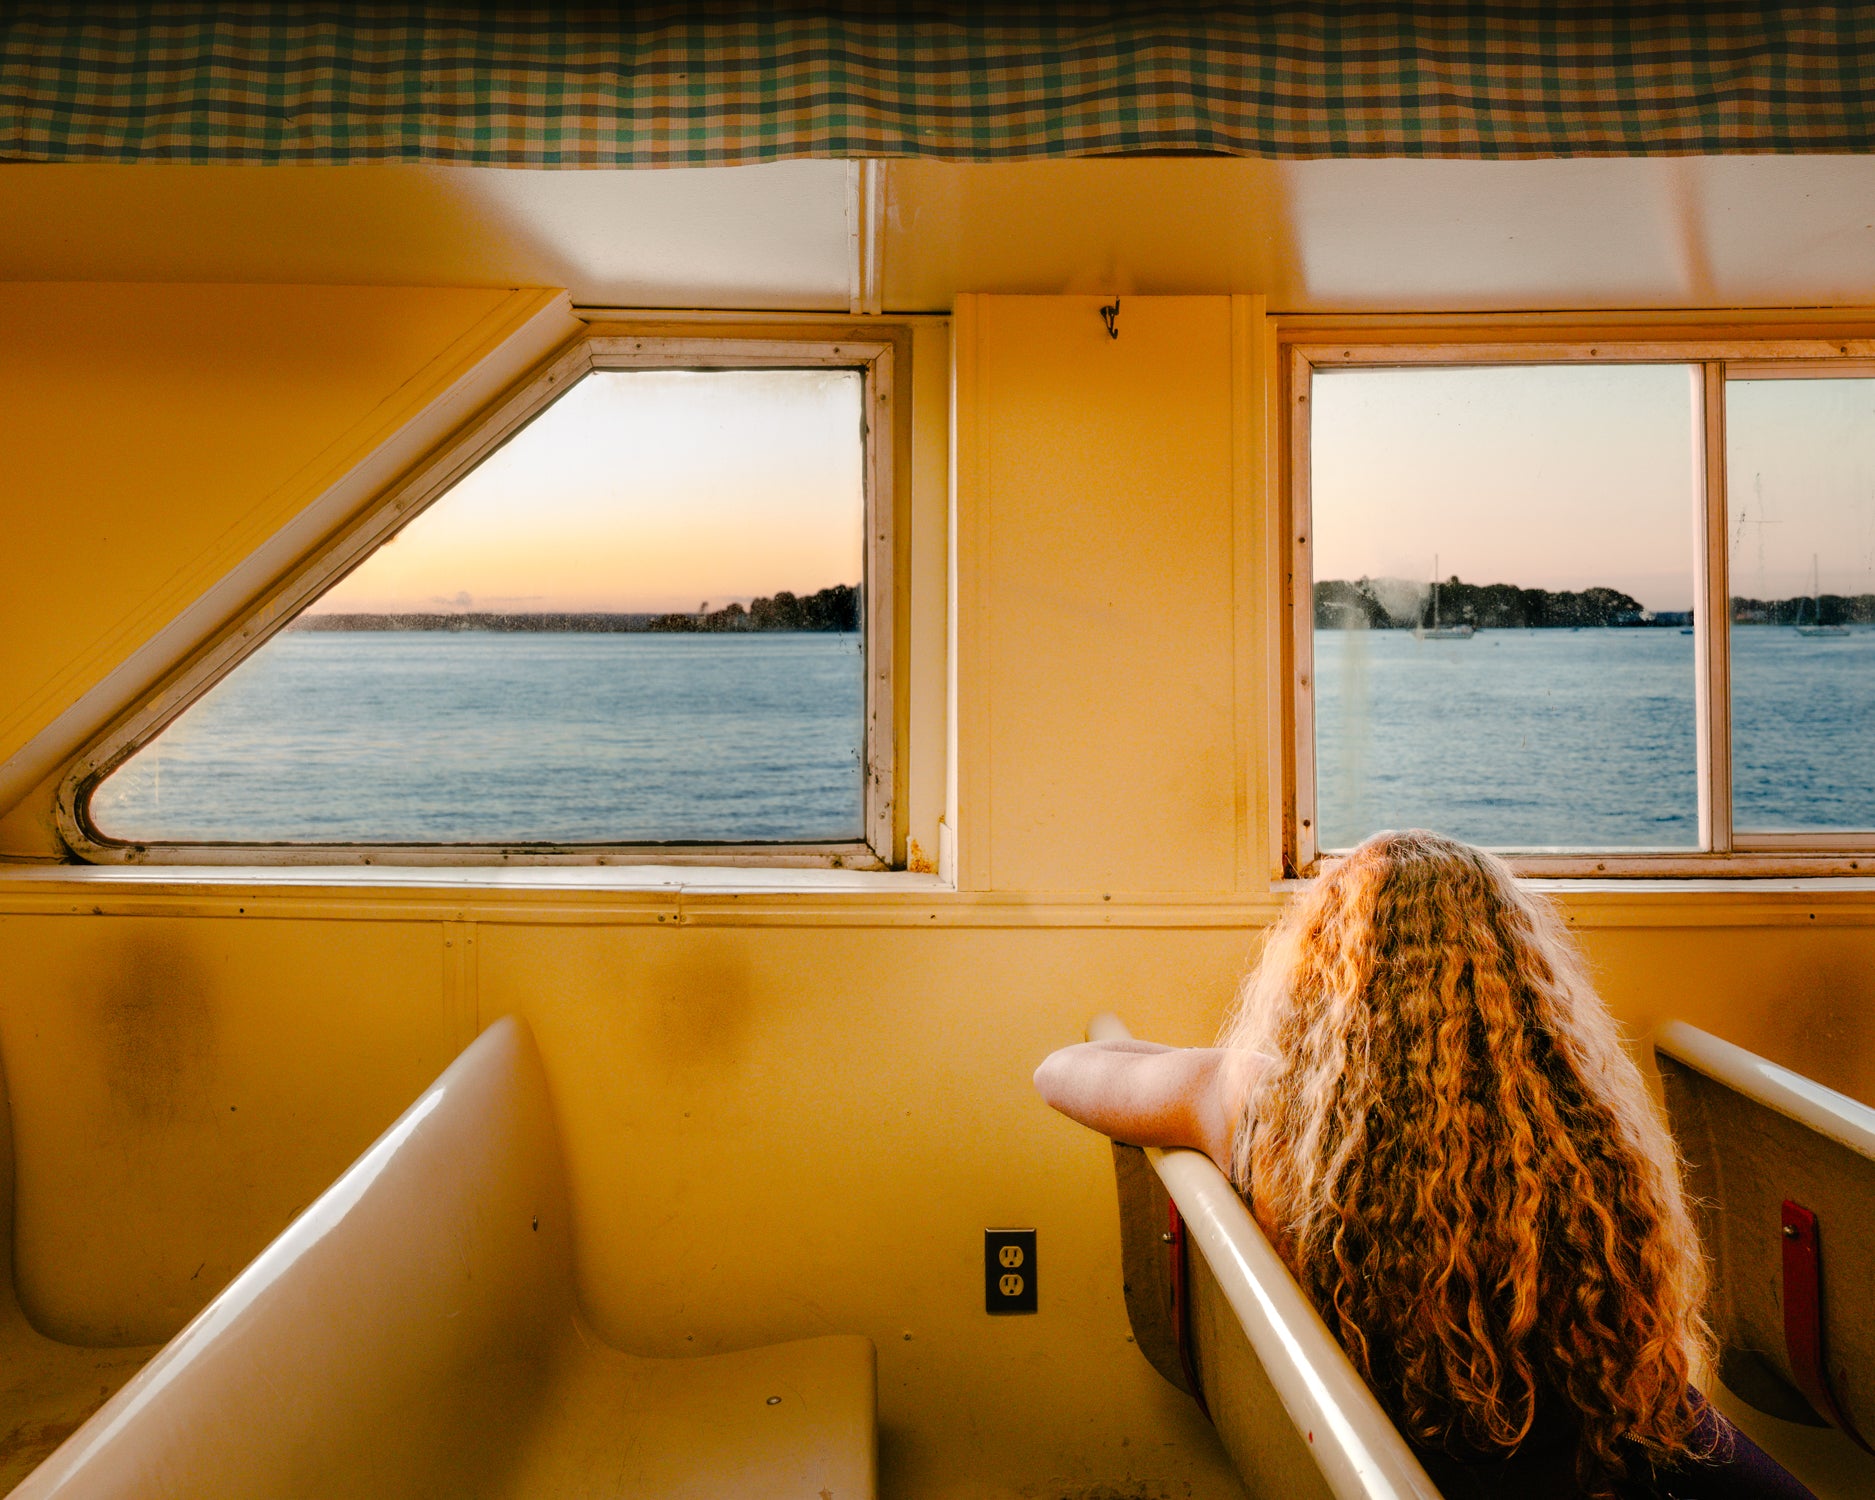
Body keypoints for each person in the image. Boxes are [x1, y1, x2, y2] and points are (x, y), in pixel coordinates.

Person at [1034, 829, 1814, 1500]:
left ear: (1320, 965)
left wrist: (1228, 1061)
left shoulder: (1255, 1102)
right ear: (1517, 965)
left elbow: (1065, 1069)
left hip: (1416, 1450)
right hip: (1583, 1441)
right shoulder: (1572, 1109)